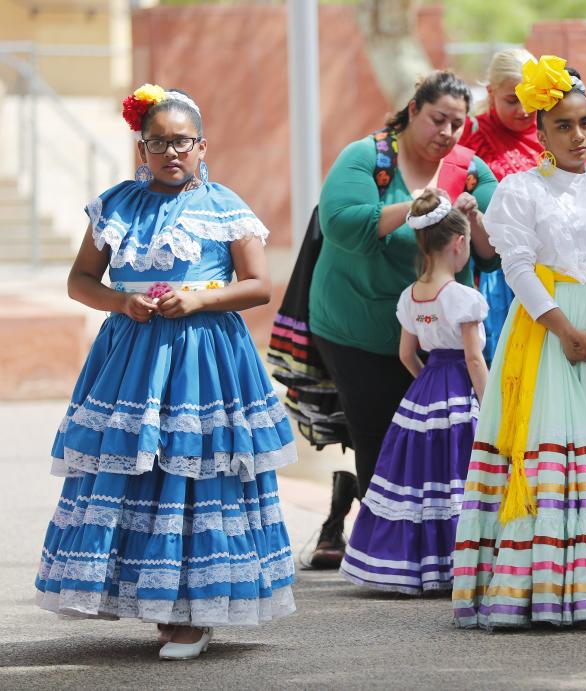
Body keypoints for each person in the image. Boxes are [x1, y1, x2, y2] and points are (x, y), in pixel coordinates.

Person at [34, 84, 297, 660]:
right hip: (131, 357)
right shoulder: (115, 204)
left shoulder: (227, 206)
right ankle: (156, 602)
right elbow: (81, 280)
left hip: (205, 360)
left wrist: (198, 300)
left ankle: (195, 613)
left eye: (182, 142)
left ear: (202, 146)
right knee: (137, 469)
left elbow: (258, 286)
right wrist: (120, 303)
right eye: (159, 143)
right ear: (142, 148)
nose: (171, 153)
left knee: (196, 472)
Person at [451, 56, 586, 629]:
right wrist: (564, 329)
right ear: (539, 132)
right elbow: (516, 267)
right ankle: (538, 590)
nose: (578, 136)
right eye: (563, 125)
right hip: (548, 335)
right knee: (557, 447)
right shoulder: (522, 190)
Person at [305, 70, 500, 567]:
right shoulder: (367, 159)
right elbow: (342, 225)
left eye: (458, 124)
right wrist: (414, 208)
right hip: (358, 325)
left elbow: (493, 254)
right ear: (413, 110)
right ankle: (382, 552)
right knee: (378, 433)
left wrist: (474, 218)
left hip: (439, 340)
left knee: (438, 439)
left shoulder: (471, 171)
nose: (448, 133)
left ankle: (440, 548)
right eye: (438, 119)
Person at [340, 190, 489, 593]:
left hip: (424, 390)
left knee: (423, 481)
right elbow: (475, 359)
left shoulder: (411, 296)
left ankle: (419, 564)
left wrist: (427, 382)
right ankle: (461, 562)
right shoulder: (462, 297)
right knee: (457, 473)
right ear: (460, 244)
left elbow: (406, 353)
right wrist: (490, 404)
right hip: (459, 388)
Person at [459, 48, 543, 363]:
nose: (523, 110)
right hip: (489, 275)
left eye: (531, 99)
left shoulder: (555, 134)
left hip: (547, 271)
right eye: (512, 100)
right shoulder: (470, 137)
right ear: (492, 92)